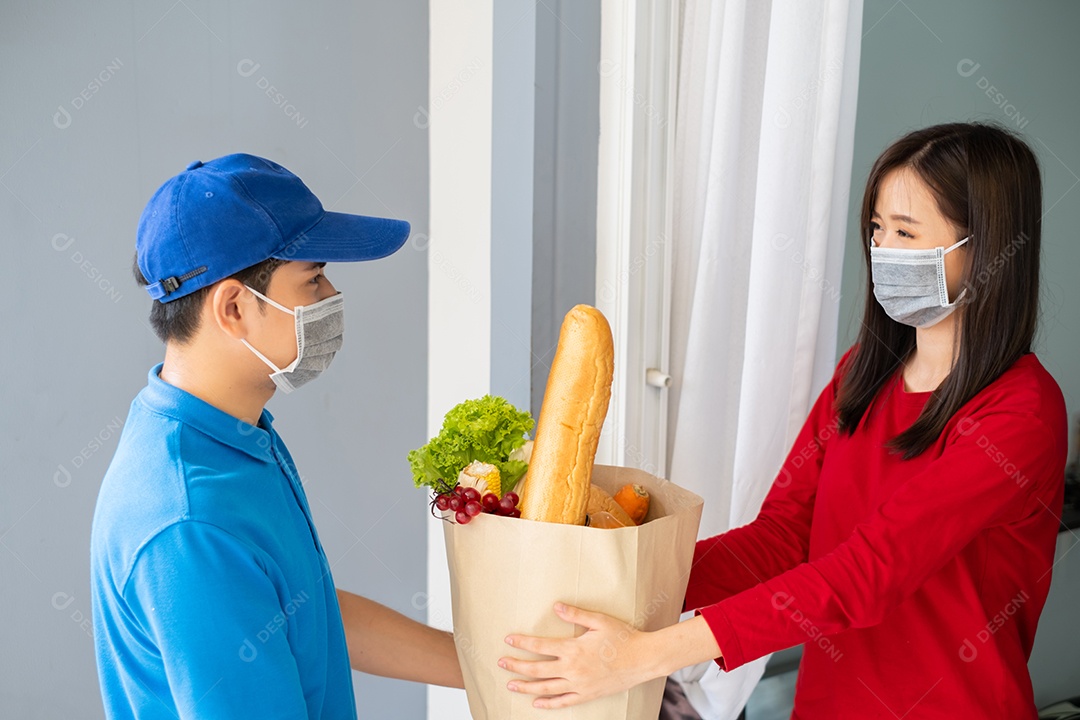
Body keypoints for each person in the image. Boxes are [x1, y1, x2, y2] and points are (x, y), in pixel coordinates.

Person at [500, 122, 1068, 718]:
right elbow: (785, 537)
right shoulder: (861, 376)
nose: (883, 252)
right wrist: (616, 579)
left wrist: (646, 654)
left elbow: (867, 574)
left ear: (987, 249)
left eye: (906, 232)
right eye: (877, 229)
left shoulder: (1021, 412)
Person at [90, 154, 462, 718]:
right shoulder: (191, 521)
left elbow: (297, 613)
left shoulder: (224, 436)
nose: (332, 294)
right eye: (313, 278)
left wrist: (497, 669)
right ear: (235, 307)